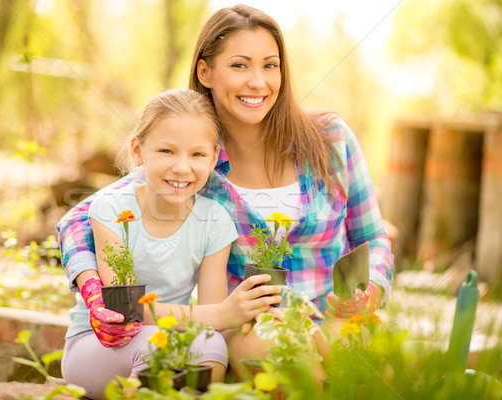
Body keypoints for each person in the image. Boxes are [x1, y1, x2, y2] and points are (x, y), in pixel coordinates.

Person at [57, 3, 393, 387]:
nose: (258, 82)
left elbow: (373, 238)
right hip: (251, 327)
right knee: (291, 367)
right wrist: (91, 285)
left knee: (372, 370)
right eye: (239, 65)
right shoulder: (197, 162)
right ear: (206, 71)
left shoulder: (330, 139)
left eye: (270, 65)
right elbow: (84, 216)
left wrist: (371, 290)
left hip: (332, 315)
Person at [60, 88, 282, 399]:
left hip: (167, 336)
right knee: (156, 347)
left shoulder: (214, 220)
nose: (182, 167)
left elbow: (211, 315)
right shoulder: (110, 208)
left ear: (214, 156)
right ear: (138, 150)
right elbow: (124, 311)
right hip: (100, 346)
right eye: (166, 151)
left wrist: (250, 315)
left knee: (212, 344)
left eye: (197, 154)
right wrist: (220, 314)